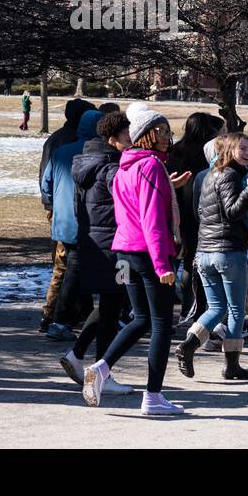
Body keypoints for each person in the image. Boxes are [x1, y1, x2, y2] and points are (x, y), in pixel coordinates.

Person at [82, 104, 189, 416]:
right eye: (164, 131)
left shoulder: (125, 166)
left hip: (124, 252)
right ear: (147, 135)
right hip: (147, 254)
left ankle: (101, 367)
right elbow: (152, 219)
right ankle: (153, 397)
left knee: (140, 318)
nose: (169, 137)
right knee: (160, 324)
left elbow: (130, 212)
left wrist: (170, 186)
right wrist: (163, 265)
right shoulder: (151, 166)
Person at [59, 111, 134, 395]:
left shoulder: (87, 161)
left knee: (110, 305)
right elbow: (128, 204)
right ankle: (101, 371)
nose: (131, 141)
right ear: (112, 139)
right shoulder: (112, 168)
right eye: (127, 136)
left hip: (93, 243)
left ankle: (78, 355)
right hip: (115, 247)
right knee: (113, 305)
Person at [177, 132, 248, 381]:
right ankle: (232, 365)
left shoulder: (208, 175)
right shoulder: (232, 176)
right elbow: (233, 212)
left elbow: (200, 212)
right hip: (228, 252)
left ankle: (189, 345)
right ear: (229, 150)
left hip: (205, 253)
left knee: (216, 307)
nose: (247, 153)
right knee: (236, 310)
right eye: (242, 149)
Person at [41, 109, 104, 340]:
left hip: (62, 222)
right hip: (84, 223)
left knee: (75, 270)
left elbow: (46, 187)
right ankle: (60, 321)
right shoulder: (96, 154)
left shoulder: (60, 152)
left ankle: (86, 316)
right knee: (75, 271)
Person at [168, 112, 225, 324]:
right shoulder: (205, 153)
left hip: (176, 208)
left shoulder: (176, 151)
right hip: (198, 210)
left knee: (178, 258)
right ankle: (196, 308)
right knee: (195, 261)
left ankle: (182, 307)